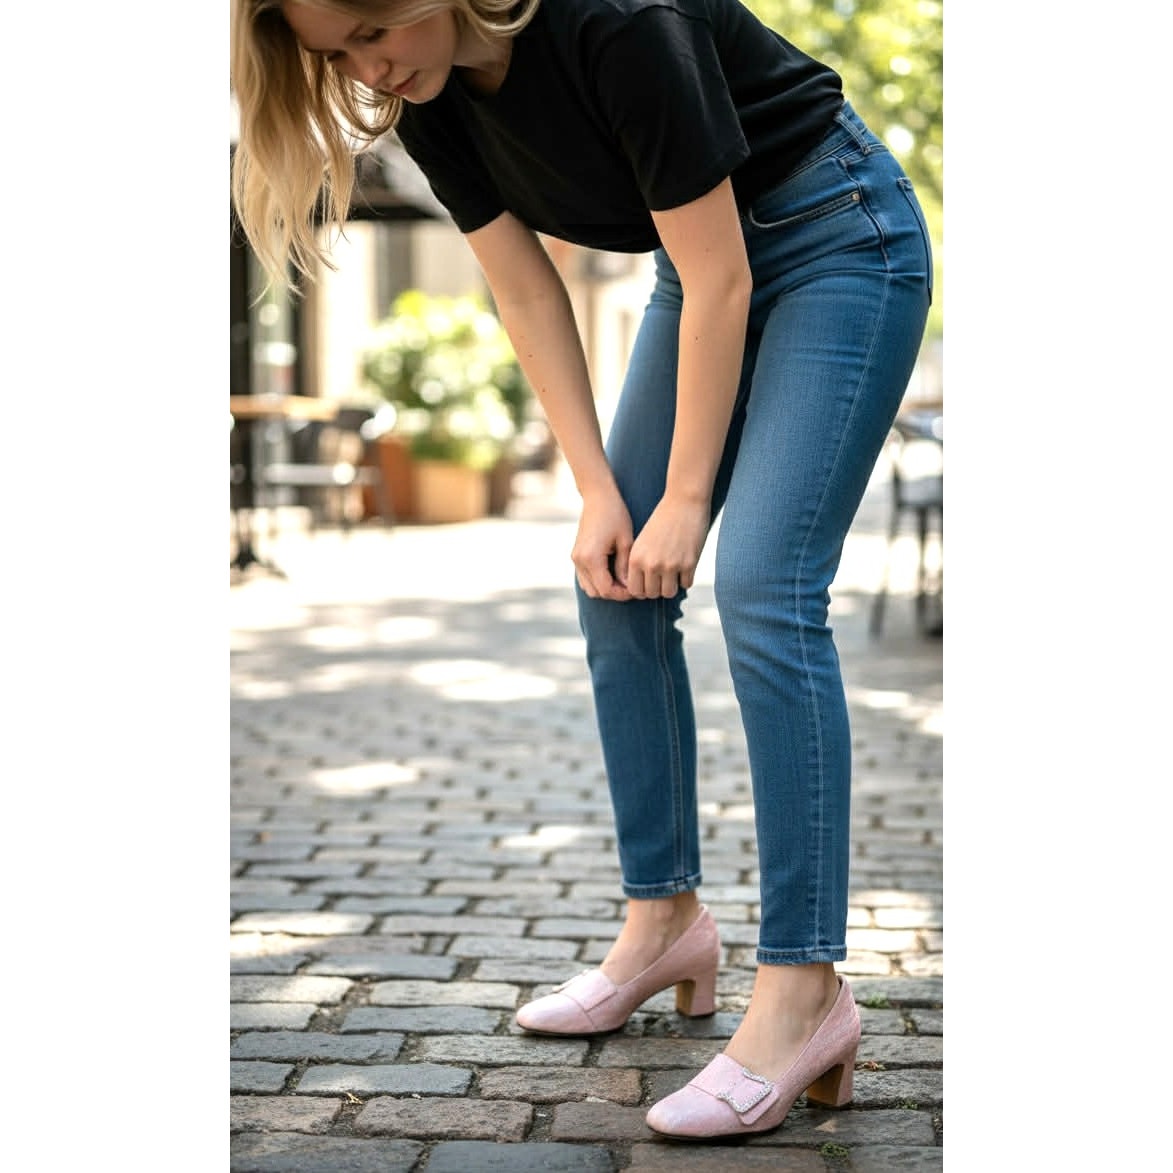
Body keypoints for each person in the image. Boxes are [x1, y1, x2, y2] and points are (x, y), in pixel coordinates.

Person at [231, 0, 932, 1139]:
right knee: (609, 575)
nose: (368, 66)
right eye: (338, 51)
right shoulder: (423, 96)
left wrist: (688, 502)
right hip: (698, 279)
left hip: (836, 237)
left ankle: (805, 990)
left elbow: (726, 283)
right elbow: (523, 289)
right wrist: (604, 494)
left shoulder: (622, 22)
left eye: (374, 26)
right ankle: (664, 925)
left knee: (763, 587)